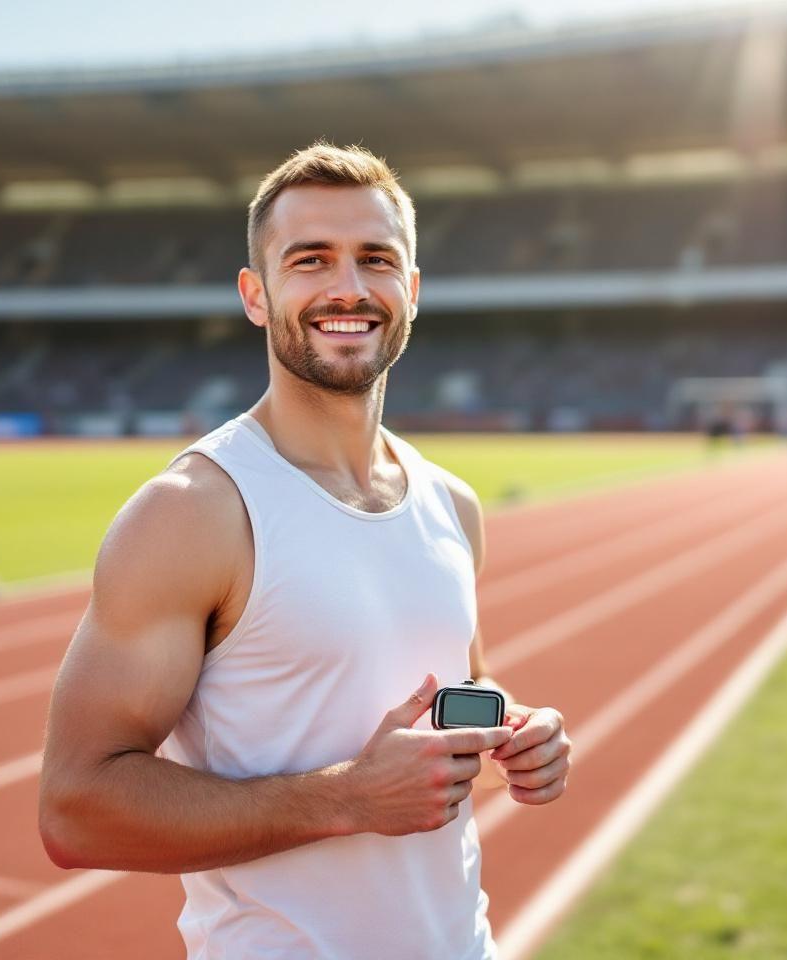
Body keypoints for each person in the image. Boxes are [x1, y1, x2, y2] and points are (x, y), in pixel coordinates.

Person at [38, 143, 572, 959]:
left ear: (413, 292)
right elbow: (75, 808)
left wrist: (517, 728)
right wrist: (348, 800)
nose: (348, 288)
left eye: (376, 260)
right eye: (311, 260)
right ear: (257, 294)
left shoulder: (452, 506)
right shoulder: (193, 514)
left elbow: (463, 679)